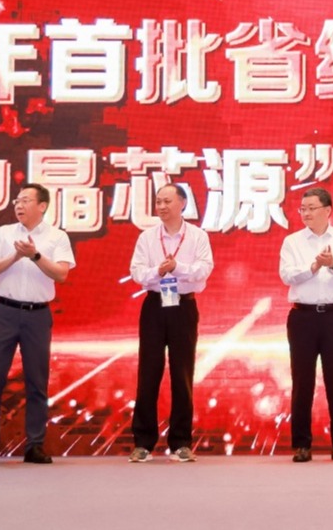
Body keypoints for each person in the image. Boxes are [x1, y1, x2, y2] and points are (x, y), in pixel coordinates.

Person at [0, 183, 75, 465]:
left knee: (36, 381)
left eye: (26, 200)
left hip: (37, 315)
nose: (19, 205)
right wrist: (15, 256)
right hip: (4, 313)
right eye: (17, 200)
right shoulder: (5, 233)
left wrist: (35, 256)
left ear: (42, 206)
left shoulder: (57, 236)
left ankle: (35, 445)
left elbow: (61, 274)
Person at [128, 183, 213, 463]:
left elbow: (204, 270)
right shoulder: (147, 237)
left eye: (167, 201)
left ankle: (181, 442)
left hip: (183, 306)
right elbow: (137, 273)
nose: (162, 207)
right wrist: (159, 270)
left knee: (182, 373)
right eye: (158, 202)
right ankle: (143, 443)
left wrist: (178, 268)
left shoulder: (198, 236)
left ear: (183, 203)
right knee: (148, 373)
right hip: (155, 306)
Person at [279, 187, 333, 463]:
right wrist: (313, 267)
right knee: (302, 381)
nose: (306, 213)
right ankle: (302, 445)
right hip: (302, 318)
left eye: (312, 208)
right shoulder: (292, 241)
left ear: (328, 210)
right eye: (303, 209)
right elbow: (287, 275)